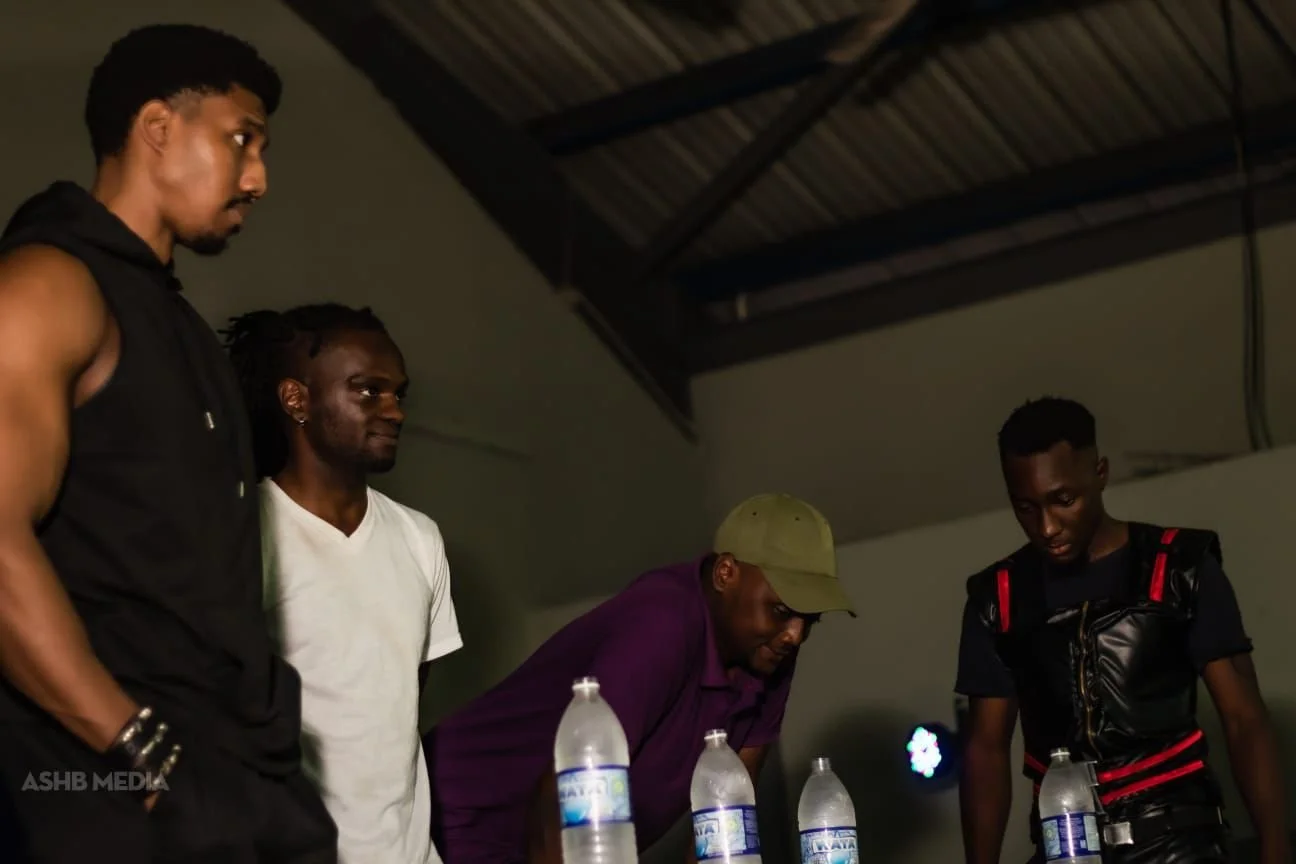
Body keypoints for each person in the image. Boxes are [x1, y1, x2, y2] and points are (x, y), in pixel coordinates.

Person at [0, 24, 337, 864]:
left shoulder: (171, 320)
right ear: (157, 129)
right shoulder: (48, 284)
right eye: (241, 140)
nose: (258, 177)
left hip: (241, 779)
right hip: (116, 781)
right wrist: (134, 750)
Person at [423, 492, 856, 863]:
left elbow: (726, 825)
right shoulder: (662, 623)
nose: (796, 634)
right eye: (782, 610)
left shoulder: (768, 653)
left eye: (810, 619)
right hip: (448, 821)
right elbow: (561, 799)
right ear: (726, 573)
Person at [956, 397, 1290, 864]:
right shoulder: (998, 597)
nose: (1047, 526)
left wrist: (1275, 847)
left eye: (1063, 500)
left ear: (1100, 473)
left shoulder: (1180, 566)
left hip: (1181, 846)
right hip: (1066, 848)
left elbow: (1244, 719)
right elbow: (987, 750)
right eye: (1026, 507)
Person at [224, 303, 463, 864]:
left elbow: (401, 706)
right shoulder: (243, 533)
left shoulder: (419, 538)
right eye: (368, 391)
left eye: (398, 394)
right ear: (296, 399)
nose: (395, 411)